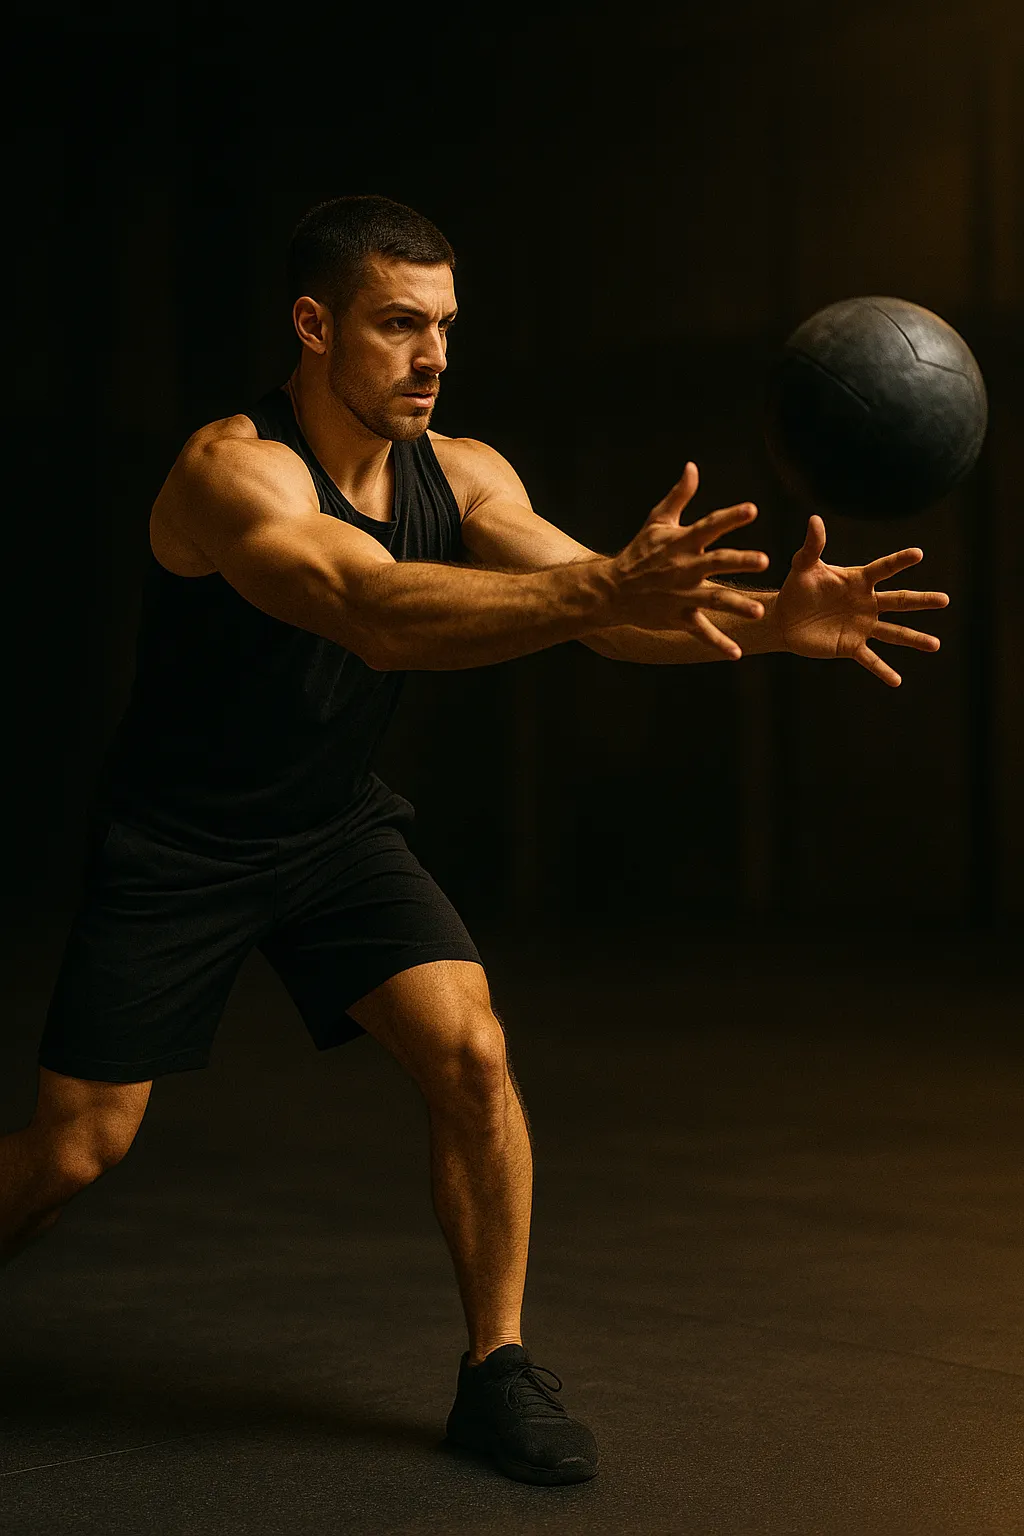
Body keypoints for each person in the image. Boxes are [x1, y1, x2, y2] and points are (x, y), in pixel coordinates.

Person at [0, 195, 949, 1486]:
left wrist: (773, 627)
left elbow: (602, 615)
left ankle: (495, 1369)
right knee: (76, 1151)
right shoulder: (234, 472)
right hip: (184, 840)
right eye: (399, 325)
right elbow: (372, 609)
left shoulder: (468, 470)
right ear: (313, 323)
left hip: (331, 826)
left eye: (446, 325)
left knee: (472, 1053)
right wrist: (602, 588)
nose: (434, 355)